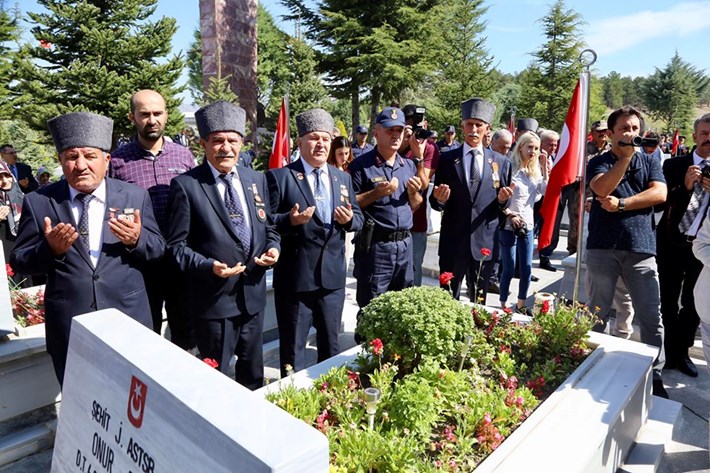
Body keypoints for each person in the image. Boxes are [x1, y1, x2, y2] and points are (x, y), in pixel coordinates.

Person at [10, 111, 165, 385]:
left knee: (131, 399)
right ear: (61, 161)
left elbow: (158, 249)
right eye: (72, 157)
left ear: (107, 160)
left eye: (90, 156)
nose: (81, 165)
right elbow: (20, 261)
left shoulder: (134, 196)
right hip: (70, 325)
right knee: (80, 398)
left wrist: (137, 240)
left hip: (128, 319)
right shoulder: (40, 201)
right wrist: (50, 249)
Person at [166, 100, 280, 390]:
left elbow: (269, 227)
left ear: (241, 143)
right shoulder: (187, 186)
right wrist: (208, 267)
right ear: (203, 143)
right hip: (213, 303)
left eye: (232, 140)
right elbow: (176, 247)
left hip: (252, 297)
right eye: (217, 141)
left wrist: (273, 249)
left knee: (253, 375)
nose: (226, 148)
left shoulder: (256, 180)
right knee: (214, 381)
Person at [266, 109, 363, 376]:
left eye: (325, 139)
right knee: (293, 353)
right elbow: (266, 222)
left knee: (330, 349)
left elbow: (359, 218)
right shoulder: (280, 177)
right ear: (300, 142)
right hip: (296, 280)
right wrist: (290, 220)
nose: (320, 144)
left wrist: (349, 220)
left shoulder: (341, 177)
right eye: (313, 138)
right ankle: (291, 396)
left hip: (332, 281)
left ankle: (329, 395)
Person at [586, 106, 668, 398]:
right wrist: (624, 160)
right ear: (611, 134)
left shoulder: (651, 161)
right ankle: (587, 363)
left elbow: (660, 193)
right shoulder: (599, 161)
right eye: (624, 128)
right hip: (603, 248)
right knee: (597, 311)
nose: (631, 134)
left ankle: (654, 373)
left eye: (635, 128)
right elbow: (601, 188)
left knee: (650, 316)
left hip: (640, 248)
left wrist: (622, 204)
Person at [109, 89, 197, 350]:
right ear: (132, 117)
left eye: (157, 113)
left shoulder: (183, 156)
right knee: (146, 333)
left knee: (186, 332)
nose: (152, 120)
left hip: (180, 259)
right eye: (144, 114)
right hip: (140, 262)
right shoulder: (118, 161)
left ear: (166, 115)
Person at [430, 98, 513, 301]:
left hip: (484, 242)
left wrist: (503, 201)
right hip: (453, 241)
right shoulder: (447, 159)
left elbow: (503, 202)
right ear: (462, 126)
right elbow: (436, 201)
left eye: (478, 125)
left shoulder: (500, 162)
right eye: (469, 124)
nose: (473, 130)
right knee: (447, 299)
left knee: (479, 302)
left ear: (487, 128)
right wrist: (439, 200)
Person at [348, 106, 423, 309]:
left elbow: (416, 205)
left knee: (402, 308)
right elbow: (350, 204)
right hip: (376, 247)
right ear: (376, 133)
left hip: (404, 246)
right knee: (372, 307)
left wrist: (413, 194)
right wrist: (376, 193)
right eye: (390, 130)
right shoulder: (361, 166)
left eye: (400, 130)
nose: (396, 135)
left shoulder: (408, 165)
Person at [657, 114, 710, 378]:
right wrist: (685, 187)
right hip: (671, 244)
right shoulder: (673, 165)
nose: (709, 139)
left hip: (702, 250)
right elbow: (660, 200)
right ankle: (667, 351)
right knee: (667, 300)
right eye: (704, 134)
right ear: (694, 136)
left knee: (692, 305)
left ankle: (682, 352)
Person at [499, 132, 548, 314]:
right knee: (509, 267)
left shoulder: (535, 171)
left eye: (536, 148)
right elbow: (499, 197)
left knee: (527, 268)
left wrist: (545, 169)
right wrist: (510, 214)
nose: (533, 151)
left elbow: (545, 191)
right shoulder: (509, 167)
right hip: (509, 222)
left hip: (527, 224)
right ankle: (503, 305)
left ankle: (520, 305)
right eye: (530, 147)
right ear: (520, 147)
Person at [399, 104, 439, 286]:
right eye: (409, 126)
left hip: (416, 223)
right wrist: (402, 143)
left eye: (418, 126)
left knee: (413, 275)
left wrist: (418, 156)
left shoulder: (429, 148)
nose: (415, 130)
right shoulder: (394, 143)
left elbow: (423, 184)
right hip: (389, 221)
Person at [328, 136, 356, 270]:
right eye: (340, 154)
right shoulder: (328, 170)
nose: (344, 157)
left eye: (346, 153)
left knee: (346, 256)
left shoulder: (349, 170)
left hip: (347, 217)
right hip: (332, 219)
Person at [0, 161, 24, 265]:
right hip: (4, 250)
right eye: (0, 177)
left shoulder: (22, 197)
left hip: (22, 247)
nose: (5, 181)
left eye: (7, 175)